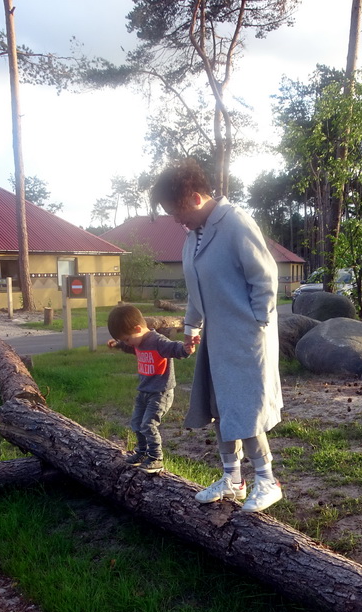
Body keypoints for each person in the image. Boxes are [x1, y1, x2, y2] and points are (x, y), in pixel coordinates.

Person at [150, 158, 284, 512]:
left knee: (246, 408)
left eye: (177, 211)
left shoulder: (235, 223)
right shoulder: (194, 236)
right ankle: (233, 480)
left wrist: (256, 322)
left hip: (245, 337)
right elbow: (196, 287)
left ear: (195, 197)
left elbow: (265, 276)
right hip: (216, 339)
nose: (177, 220)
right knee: (221, 408)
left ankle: (268, 481)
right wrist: (192, 327)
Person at [107, 303, 195, 474]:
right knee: (136, 423)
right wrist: (118, 345)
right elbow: (130, 347)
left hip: (160, 392)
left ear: (138, 328)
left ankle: (156, 458)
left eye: (126, 338)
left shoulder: (157, 341)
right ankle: (141, 452)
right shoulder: (137, 342)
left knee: (148, 424)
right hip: (144, 390)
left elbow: (174, 348)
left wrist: (186, 349)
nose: (127, 342)